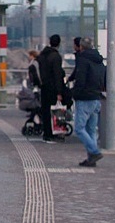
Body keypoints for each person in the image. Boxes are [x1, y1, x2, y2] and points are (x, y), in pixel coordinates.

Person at [68, 35, 107, 166]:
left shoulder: (83, 60)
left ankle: (95, 152)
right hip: (96, 97)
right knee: (91, 130)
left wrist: (74, 93)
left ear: (81, 47)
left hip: (85, 98)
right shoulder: (99, 60)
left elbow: (81, 79)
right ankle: (91, 159)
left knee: (79, 128)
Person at [36, 34, 67, 143]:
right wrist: (59, 91)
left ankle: (47, 133)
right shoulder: (56, 57)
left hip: (44, 86)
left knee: (45, 111)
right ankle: (55, 132)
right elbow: (57, 74)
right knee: (55, 110)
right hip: (53, 87)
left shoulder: (42, 55)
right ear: (58, 43)